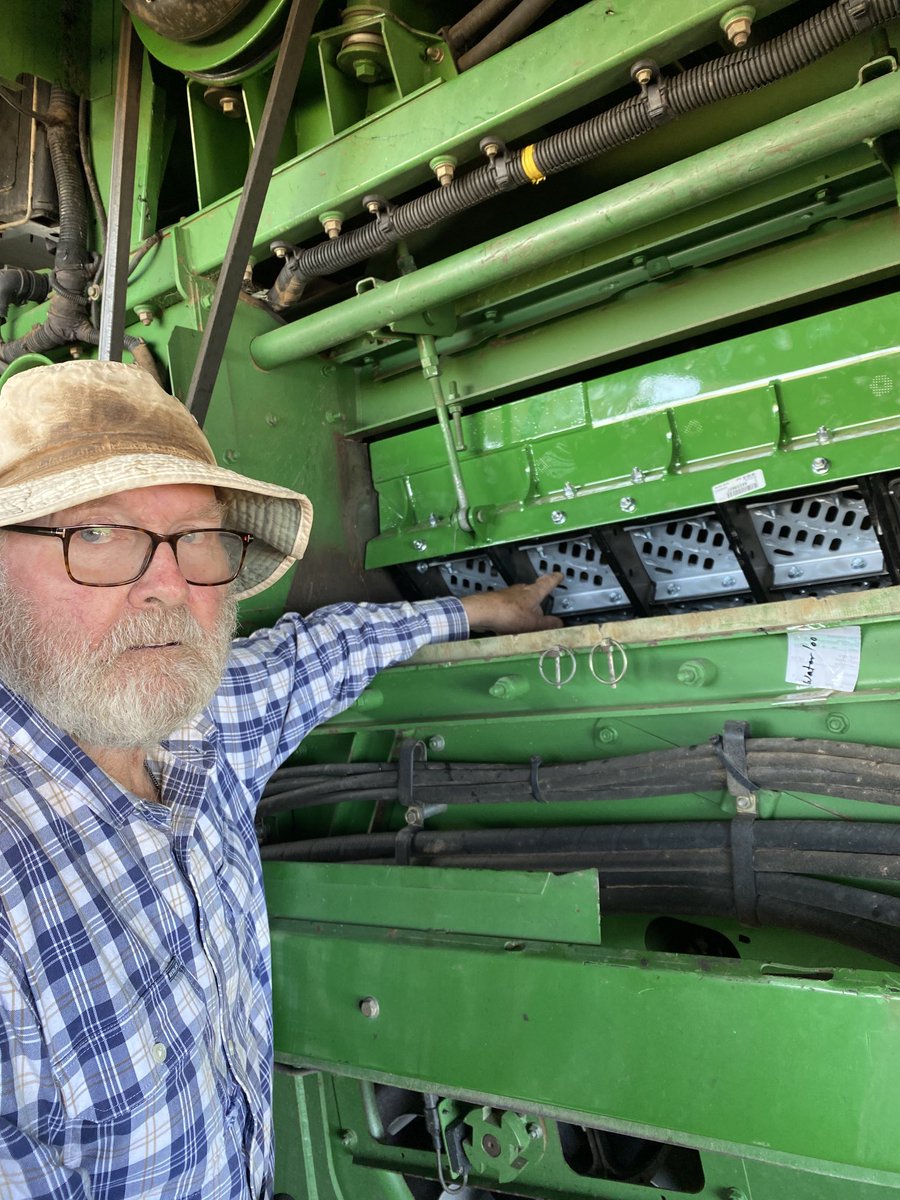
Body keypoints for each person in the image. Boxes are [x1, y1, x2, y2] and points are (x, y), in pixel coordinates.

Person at [0, 359, 561, 1200]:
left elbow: (318, 654)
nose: (169, 587)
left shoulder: (197, 724)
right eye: (96, 534)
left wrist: (481, 610)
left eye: (198, 539)